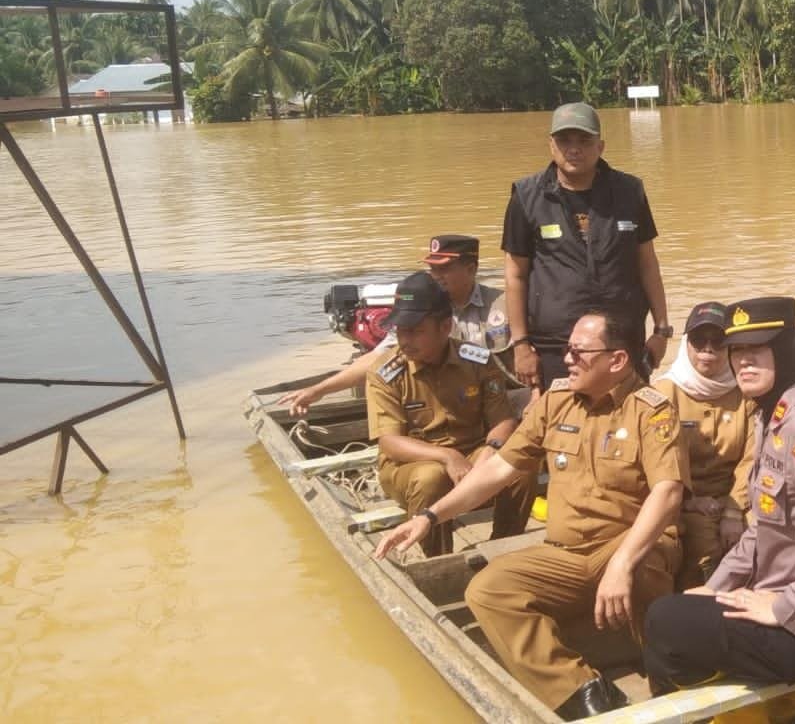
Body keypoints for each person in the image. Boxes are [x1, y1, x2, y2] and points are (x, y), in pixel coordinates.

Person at [375, 309, 688, 720]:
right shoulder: (554, 404)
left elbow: (668, 493)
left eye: (579, 352)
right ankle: (582, 693)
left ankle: (671, 680)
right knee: (487, 591)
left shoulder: (652, 412)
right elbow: (499, 470)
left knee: (646, 565)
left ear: (617, 360)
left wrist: (622, 563)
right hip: (568, 555)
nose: (568, 359)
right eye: (566, 349)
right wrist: (430, 517)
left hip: (630, 544)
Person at [643, 297, 795, 705]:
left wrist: (787, 607)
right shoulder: (768, 418)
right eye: (737, 351)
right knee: (681, 605)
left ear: (787, 353)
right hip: (793, 606)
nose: (742, 362)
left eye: (757, 350)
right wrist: (714, 589)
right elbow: (762, 532)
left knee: (664, 623)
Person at [502, 102, 672, 391]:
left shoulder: (630, 192)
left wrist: (661, 330)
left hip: (623, 342)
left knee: (629, 425)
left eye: (584, 140)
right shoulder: (527, 197)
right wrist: (520, 345)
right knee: (561, 427)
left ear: (601, 146)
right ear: (551, 145)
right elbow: (516, 274)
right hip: (555, 345)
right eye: (564, 140)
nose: (574, 149)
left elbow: (647, 262)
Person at [366, 271, 533, 556]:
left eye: (416, 331)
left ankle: (502, 547)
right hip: (410, 466)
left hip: (471, 453)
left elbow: (503, 419)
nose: (405, 340)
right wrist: (447, 457)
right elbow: (389, 442)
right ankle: (438, 559)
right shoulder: (386, 372)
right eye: (400, 331)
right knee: (432, 477)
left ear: (445, 327)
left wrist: (490, 450)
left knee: (520, 466)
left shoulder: (477, 360)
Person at [282, 235, 514, 416]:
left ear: (471, 269)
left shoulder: (505, 305)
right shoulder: (419, 311)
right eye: (432, 269)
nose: (436, 276)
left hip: (499, 401)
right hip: (448, 405)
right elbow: (379, 358)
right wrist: (319, 390)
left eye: (444, 269)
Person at [654, 301, 756, 589]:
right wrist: (690, 501)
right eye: (699, 340)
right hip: (682, 499)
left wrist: (734, 511)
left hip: (735, 499)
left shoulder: (746, 395)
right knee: (705, 542)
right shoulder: (663, 393)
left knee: (773, 529)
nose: (708, 349)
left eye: (718, 341)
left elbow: (751, 458)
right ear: (686, 343)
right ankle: (698, 608)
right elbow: (656, 462)